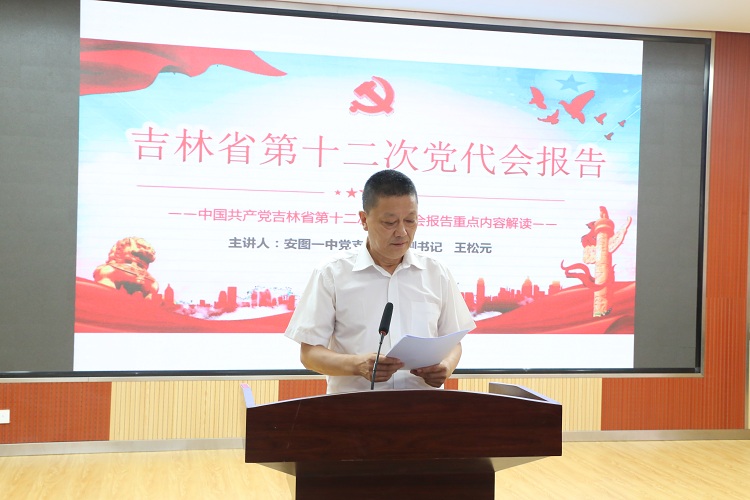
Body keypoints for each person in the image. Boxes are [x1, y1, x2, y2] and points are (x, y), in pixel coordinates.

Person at [284, 169, 476, 393]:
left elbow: (453, 341)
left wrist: (446, 366)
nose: (402, 232)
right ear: (364, 220)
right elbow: (309, 354)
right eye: (389, 222)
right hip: (355, 408)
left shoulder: (436, 272)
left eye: (410, 220)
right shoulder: (332, 274)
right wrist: (356, 365)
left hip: (424, 407)